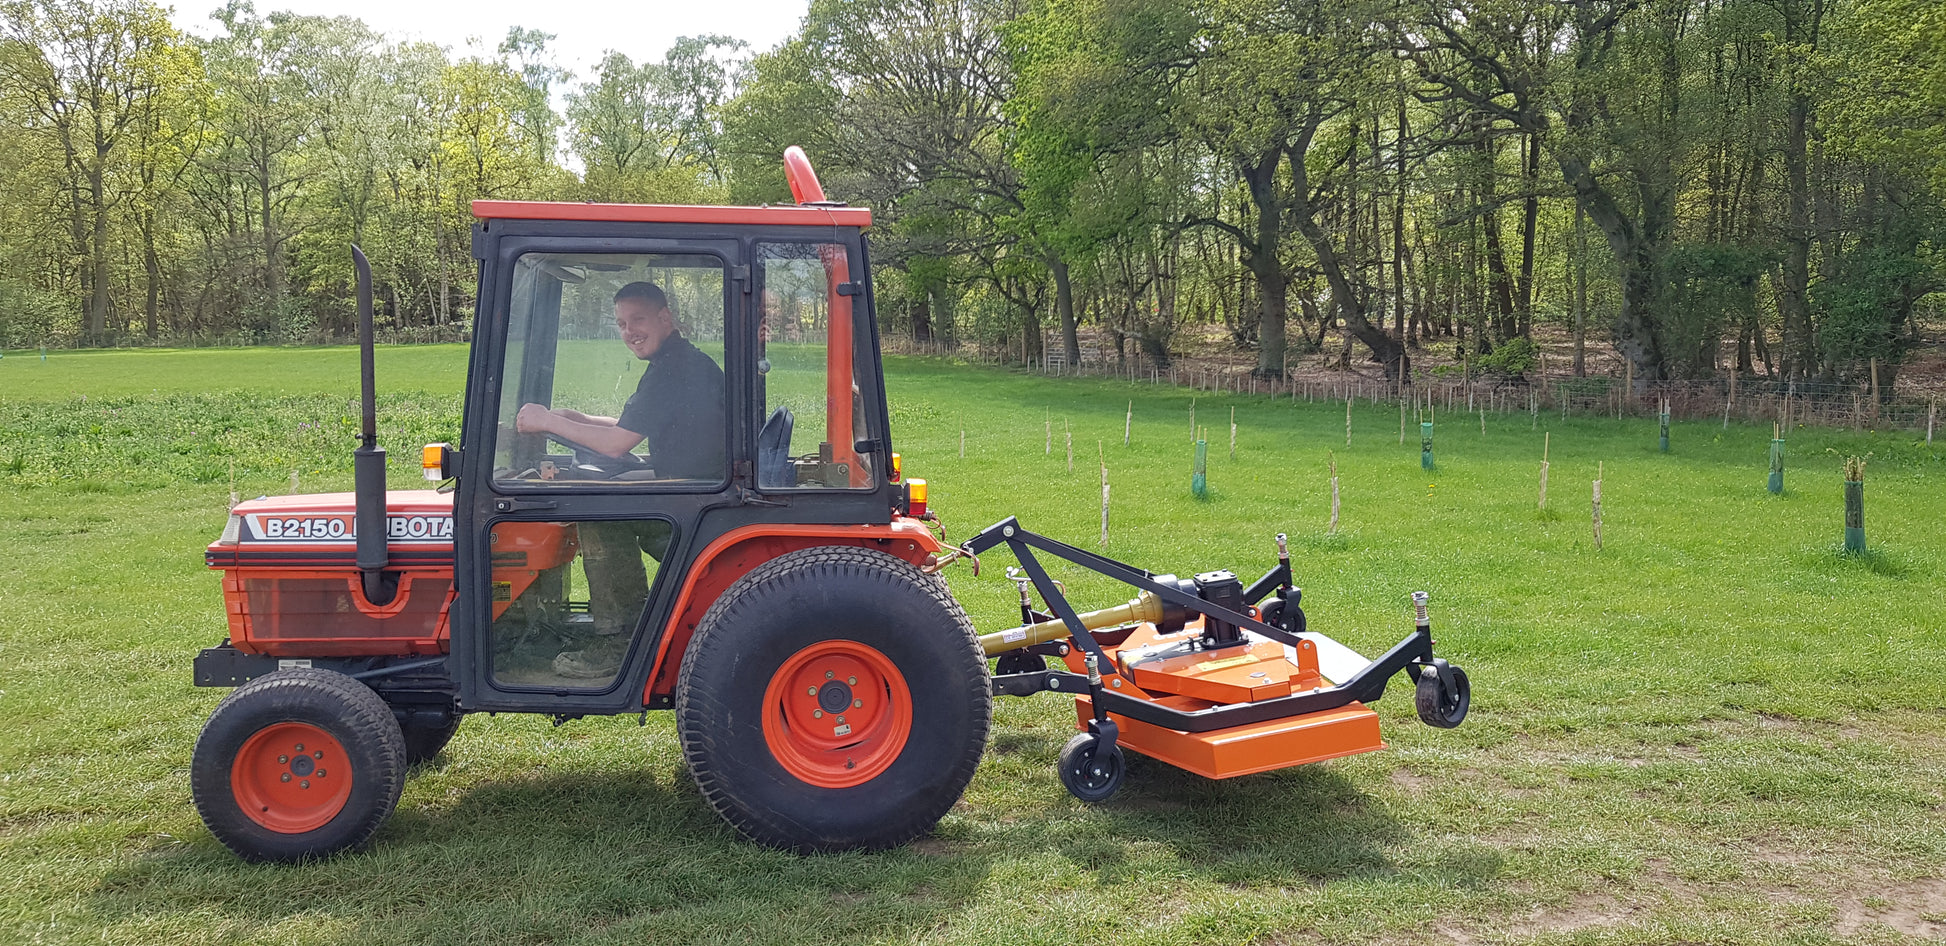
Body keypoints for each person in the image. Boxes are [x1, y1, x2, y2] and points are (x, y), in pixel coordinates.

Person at [514, 280, 726, 679]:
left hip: (697, 505)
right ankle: (626, 624)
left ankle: (620, 637)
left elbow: (615, 444)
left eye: (638, 319)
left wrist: (546, 420)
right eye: (621, 323)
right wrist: (575, 419)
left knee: (599, 512)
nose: (630, 331)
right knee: (609, 495)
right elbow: (634, 425)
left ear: (666, 318)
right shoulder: (678, 361)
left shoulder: (673, 369)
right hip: (693, 488)